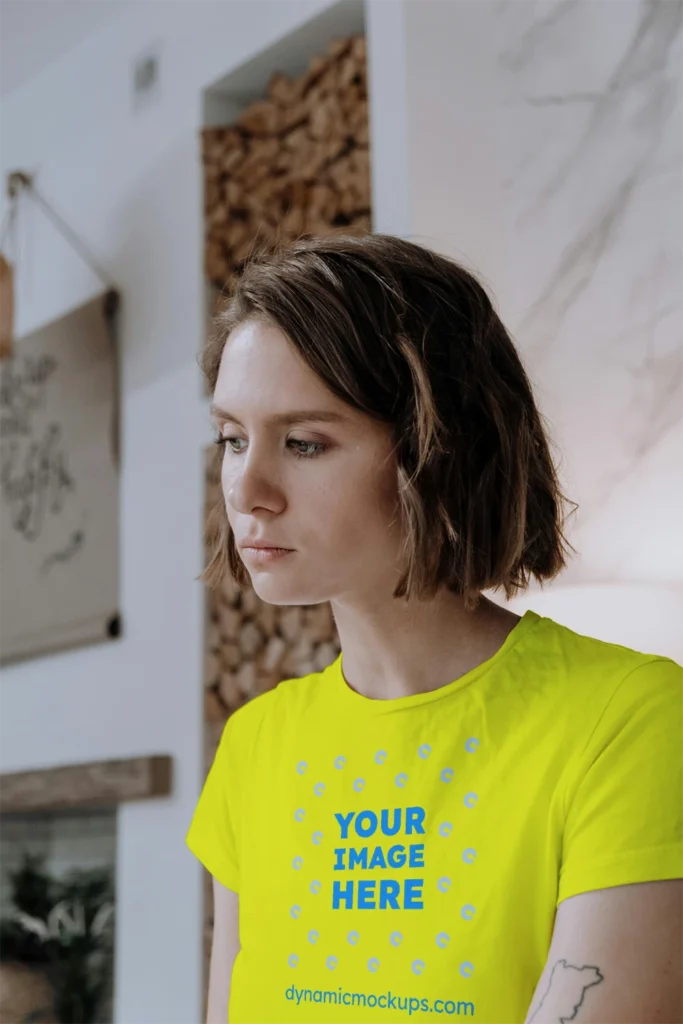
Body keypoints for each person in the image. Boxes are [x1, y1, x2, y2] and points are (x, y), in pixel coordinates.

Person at [186, 233, 683, 1024]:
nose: (247, 487)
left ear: (438, 448)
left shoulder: (629, 719)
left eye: (304, 442)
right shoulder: (255, 746)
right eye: (232, 439)